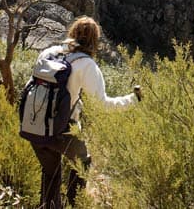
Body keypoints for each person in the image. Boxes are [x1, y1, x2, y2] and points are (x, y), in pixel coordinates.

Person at [29, 16, 141, 209]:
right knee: (83, 162)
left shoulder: (49, 52)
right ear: (95, 40)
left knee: (51, 173)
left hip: (33, 122)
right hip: (63, 128)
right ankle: (76, 203)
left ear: (72, 32)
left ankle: (50, 205)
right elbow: (103, 105)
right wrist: (134, 99)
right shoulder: (87, 65)